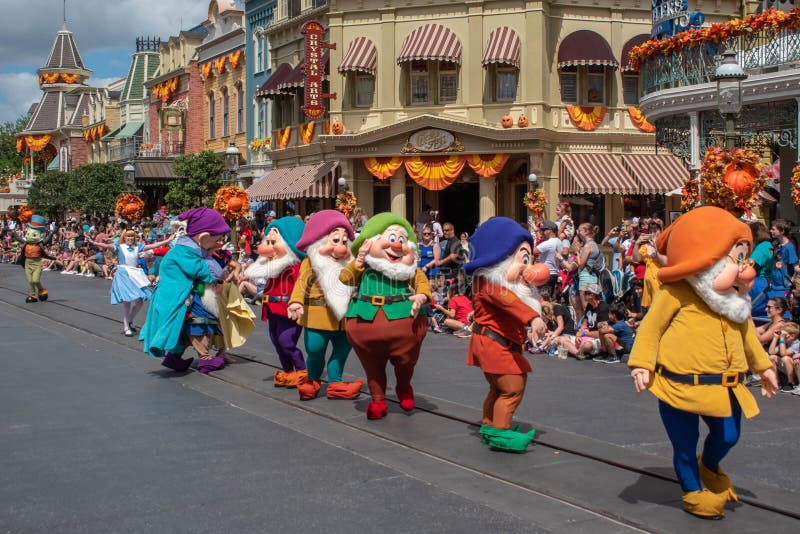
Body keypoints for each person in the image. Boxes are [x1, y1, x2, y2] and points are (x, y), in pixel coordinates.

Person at [628, 206, 777, 519]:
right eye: (734, 259)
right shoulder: (677, 291)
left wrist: (764, 367)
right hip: (678, 386)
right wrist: (641, 363)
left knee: (728, 436)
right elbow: (651, 328)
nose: (740, 269)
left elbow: (748, 335)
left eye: (740, 259)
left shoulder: (733, 302)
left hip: (724, 388)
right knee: (685, 445)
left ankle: (708, 467)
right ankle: (693, 492)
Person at [463, 217, 546, 451]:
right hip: (493, 344)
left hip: (496, 343)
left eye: (528, 259)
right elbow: (507, 301)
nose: (528, 268)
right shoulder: (489, 283)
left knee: (498, 388)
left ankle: (490, 425)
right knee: (512, 387)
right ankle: (500, 432)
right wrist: (532, 317)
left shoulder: (494, 282)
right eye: (522, 259)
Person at [340, 213, 431, 420]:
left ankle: (404, 386)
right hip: (365, 320)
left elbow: (422, 283)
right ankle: (378, 399)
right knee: (372, 366)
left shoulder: (409, 270)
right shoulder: (364, 267)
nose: (397, 245)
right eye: (391, 238)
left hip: (403, 324)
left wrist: (422, 296)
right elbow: (345, 278)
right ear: (369, 242)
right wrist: (360, 258)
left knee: (406, 363)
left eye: (402, 240)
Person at [140, 208, 235, 373]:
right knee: (200, 323)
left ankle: (174, 358)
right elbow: (209, 273)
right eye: (217, 239)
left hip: (182, 297)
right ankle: (205, 359)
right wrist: (212, 261)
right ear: (204, 237)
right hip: (182, 298)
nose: (219, 243)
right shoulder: (187, 252)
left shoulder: (188, 249)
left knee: (181, 329)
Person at [287, 210, 363, 401]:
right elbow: (301, 282)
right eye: (335, 240)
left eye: (344, 242)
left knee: (341, 351)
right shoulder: (311, 261)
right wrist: (296, 301)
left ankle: (335, 382)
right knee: (315, 350)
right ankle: (313, 381)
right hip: (317, 318)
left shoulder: (350, 264)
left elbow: (358, 280)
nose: (341, 247)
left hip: (344, 319)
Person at [244, 216, 308, 387]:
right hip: (272, 309)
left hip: (288, 309)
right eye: (268, 241)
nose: (268, 247)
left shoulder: (294, 267)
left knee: (286, 342)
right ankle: (288, 372)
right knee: (276, 342)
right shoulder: (273, 264)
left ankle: (301, 370)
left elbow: (302, 287)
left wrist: (298, 303)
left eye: (274, 242)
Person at [89, 230, 172, 337]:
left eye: (132, 236)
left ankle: (130, 320)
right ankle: (126, 327)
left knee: (140, 301)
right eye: (128, 236)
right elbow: (106, 245)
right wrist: (94, 243)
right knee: (127, 302)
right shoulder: (119, 246)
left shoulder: (138, 247)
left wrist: (168, 240)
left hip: (135, 274)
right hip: (124, 274)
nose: (130, 238)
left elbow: (154, 245)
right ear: (124, 237)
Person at [575, 223, 603, 321]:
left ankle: (589, 326)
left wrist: (577, 252)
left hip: (586, 277)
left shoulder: (588, 246)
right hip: (592, 276)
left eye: (579, 230)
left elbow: (581, 264)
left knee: (586, 306)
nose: (578, 232)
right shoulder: (594, 245)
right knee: (591, 304)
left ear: (586, 232)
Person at [766, 321, 800, 393]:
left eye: (784, 335)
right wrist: (775, 338)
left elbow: (783, 354)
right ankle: (776, 382)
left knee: (785, 358)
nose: (782, 336)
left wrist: (781, 339)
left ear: (792, 336)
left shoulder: (796, 343)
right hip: (786, 368)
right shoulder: (785, 342)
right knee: (772, 357)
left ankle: (791, 383)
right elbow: (771, 352)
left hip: (795, 370)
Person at [748, 221, 773, 318]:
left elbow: (750, 265)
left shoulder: (761, 247)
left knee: (755, 313)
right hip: (766, 281)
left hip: (758, 283)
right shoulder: (768, 245)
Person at [533, 221, 561, 293]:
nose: (542, 232)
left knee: (544, 299)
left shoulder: (549, 242)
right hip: (554, 273)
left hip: (546, 274)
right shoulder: (558, 241)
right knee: (548, 298)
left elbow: (533, 251)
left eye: (544, 230)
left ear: (550, 230)